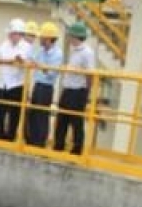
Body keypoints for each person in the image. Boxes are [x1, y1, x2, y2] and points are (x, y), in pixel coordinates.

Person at [54, 23, 96, 155]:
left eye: (71, 36)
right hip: (68, 89)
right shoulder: (75, 51)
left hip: (78, 90)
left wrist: (87, 92)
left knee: (76, 121)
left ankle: (77, 148)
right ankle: (59, 145)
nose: (69, 38)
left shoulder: (87, 53)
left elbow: (90, 74)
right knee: (62, 118)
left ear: (76, 36)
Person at [0, 18, 31, 141]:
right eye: (11, 33)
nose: (11, 36)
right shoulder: (5, 44)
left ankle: (10, 137)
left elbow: (22, 60)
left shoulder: (26, 47)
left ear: (20, 34)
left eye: (14, 33)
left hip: (17, 85)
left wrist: (17, 60)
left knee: (14, 114)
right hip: (3, 84)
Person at [24, 22, 63, 147]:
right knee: (33, 113)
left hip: (46, 87)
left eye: (42, 37)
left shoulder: (57, 54)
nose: (39, 39)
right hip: (38, 84)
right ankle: (31, 140)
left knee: (42, 115)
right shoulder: (41, 51)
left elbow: (52, 73)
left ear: (48, 39)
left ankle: (40, 142)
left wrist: (39, 65)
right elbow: (33, 60)